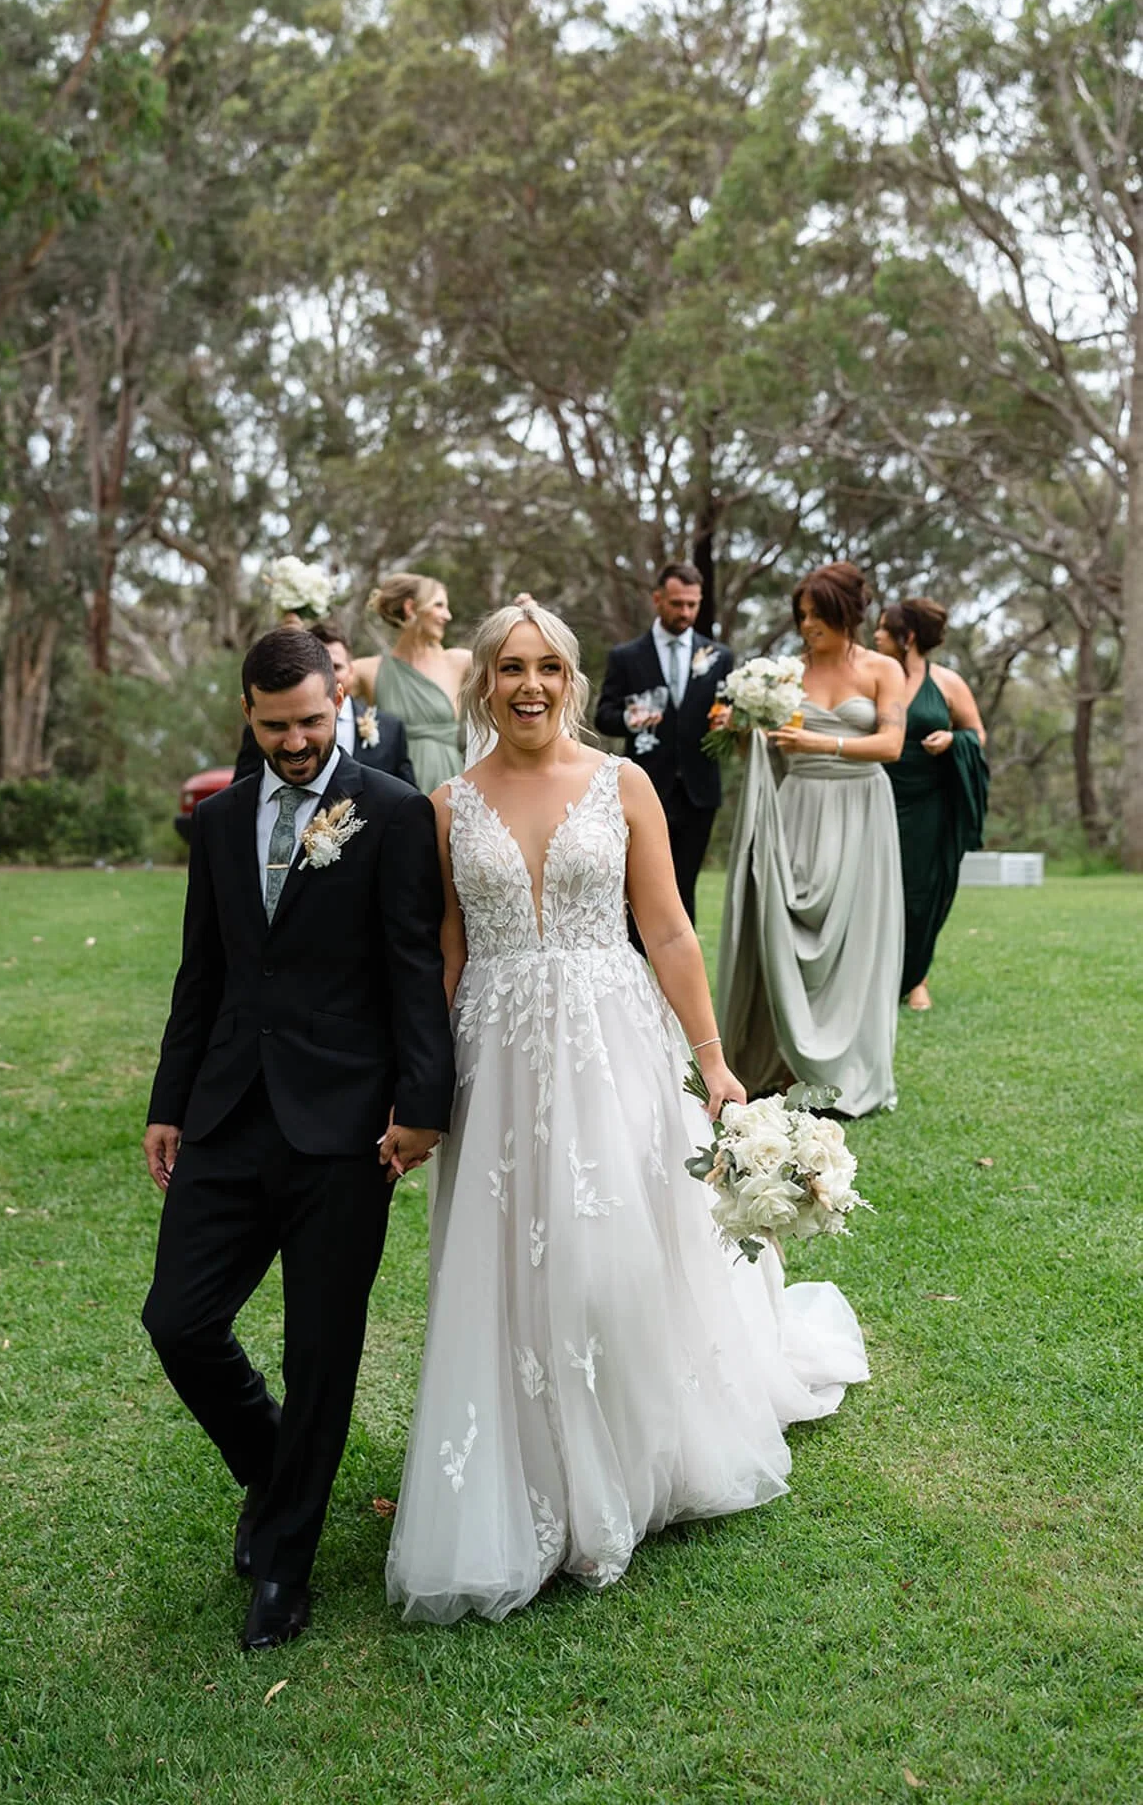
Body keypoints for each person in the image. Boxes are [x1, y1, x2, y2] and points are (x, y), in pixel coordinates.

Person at [384, 602, 868, 1625]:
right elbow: (447, 953)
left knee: (611, 1257)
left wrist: (715, 1064)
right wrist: (417, 1087)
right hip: (495, 1059)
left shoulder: (623, 783)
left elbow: (669, 931)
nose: (528, 684)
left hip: (613, 1047)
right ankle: (537, 1468)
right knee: (515, 1262)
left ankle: (637, 1443)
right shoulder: (446, 803)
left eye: (547, 667)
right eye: (509, 666)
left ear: (568, 679)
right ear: (483, 681)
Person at [141, 628, 454, 1651]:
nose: (295, 740)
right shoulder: (223, 818)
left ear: (340, 706)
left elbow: (413, 967)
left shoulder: (393, 811)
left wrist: (421, 1104)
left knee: (322, 1347)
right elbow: (202, 973)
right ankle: (277, 1464)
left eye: (312, 720)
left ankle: (284, 1565)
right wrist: (168, 1102)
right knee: (178, 1321)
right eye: (275, 724)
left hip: (345, 1125)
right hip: (230, 1112)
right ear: (246, 710)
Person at [716, 562, 906, 1118]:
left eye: (816, 615)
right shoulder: (784, 674)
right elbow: (765, 743)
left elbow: (891, 744)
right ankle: (782, 1064)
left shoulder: (881, 669)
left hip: (861, 808)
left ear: (845, 613)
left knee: (854, 944)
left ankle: (849, 1071)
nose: (807, 626)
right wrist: (740, 727)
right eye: (801, 616)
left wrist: (824, 745)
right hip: (798, 807)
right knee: (789, 932)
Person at [594, 562, 732, 923]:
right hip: (644, 786)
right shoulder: (626, 657)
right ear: (657, 599)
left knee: (685, 886)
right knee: (636, 885)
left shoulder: (720, 657)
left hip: (699, 792)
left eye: (692, 604)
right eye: (676, 603)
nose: (685, 612)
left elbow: (729, 714)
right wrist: (629, 719)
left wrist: (730, 722)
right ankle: (636, 970)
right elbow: (603, 715)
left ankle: (678, 974)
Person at [874, 598, 989, 1011]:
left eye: (884, 629)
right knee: (876, 890)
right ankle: (877, 977)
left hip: (928, 805)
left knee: (922, 892)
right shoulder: (873, 676)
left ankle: (917, 977)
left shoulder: (947, 682)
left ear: (907, 638)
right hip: (877, 796)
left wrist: (951, 739)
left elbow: (976, 733)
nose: (876, 635)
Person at [233, 620, 417, 788]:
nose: (295, 743)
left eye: (336, 667)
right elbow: (242, 792)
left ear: (351, 671)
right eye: (318, 668)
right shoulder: (262, 725)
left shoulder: (391, 729)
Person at [353, 573, 470, 791]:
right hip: (394, 788)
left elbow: (514, 667)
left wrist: (528, 616)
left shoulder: (459, 662)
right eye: (439, 605)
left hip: (450, 786)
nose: (448, 615)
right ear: (411, 607)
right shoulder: (367, 671)